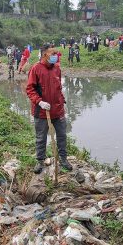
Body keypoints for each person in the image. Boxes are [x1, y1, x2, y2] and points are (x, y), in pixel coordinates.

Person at [26, 45, 78, 177]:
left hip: (58, 110)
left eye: (56, 54)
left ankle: (63, 159)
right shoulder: (36, 69)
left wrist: (62, 99)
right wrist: (40, 102)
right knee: (40, 137)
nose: (55, 56)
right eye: (52, 54)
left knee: (62, 135)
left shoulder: (57, 68)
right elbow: (30, 90)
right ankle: (40, 160)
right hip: (42, 112)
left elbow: (58, 87)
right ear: (45, 55)